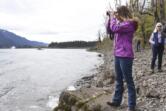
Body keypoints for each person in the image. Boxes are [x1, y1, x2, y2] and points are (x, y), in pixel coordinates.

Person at [106, 6, 138, 111]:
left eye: (117, 13)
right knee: (119, 79)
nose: (116, 15)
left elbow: (115, 28)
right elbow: (110, 29)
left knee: (128, 81)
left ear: (122, 13)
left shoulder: (129, 24)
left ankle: (132, 105)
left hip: (126, 55)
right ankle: (116, 101)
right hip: (118, 54)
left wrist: (112, 17)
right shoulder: (120, 23)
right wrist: (110, 18)